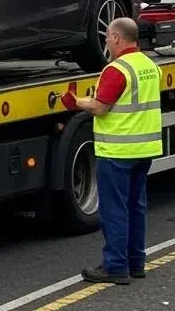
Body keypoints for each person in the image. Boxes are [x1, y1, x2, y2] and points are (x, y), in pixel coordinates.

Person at [60, 16, 163, 285]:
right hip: (144, 149)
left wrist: (76, 102)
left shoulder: (117, 69)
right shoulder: (150, 66)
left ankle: (116, 266)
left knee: (114, 210)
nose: (106, 41)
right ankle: (136, 263)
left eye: (107, 36)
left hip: (117, 151)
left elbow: (100, 107)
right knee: (136, 207)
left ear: (117, 38)